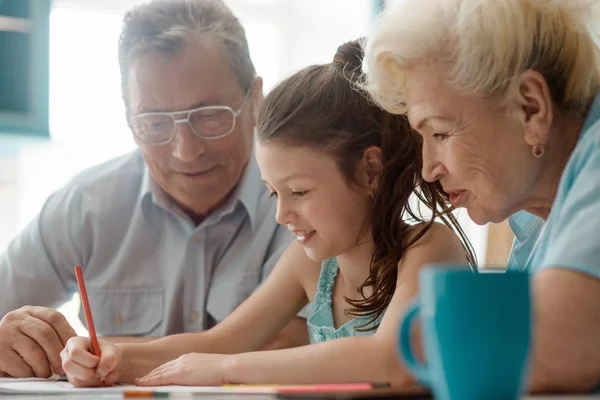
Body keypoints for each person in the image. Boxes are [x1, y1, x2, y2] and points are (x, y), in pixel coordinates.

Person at [59, 39, 476, 388]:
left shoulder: (429, 248)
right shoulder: (311, 266)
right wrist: (109, 355)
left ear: (370, 170)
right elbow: (221, 341)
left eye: (298, 191)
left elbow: (392, 361)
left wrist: (225, 371)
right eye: (273, 192)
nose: (282, 215)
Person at [0, 0, 304, 380]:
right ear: (128, 119)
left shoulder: (308, 201)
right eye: (155, 123)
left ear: (256, 100)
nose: (186, 151)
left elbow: (295, 343)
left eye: (210, 116)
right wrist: (11, 340)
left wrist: (95, 355)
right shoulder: (87, 206)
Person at [364, 0, 600, 392]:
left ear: (530, 107)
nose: (428, 169)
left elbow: (551, 348)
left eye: (440, 133)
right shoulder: (536, 224)